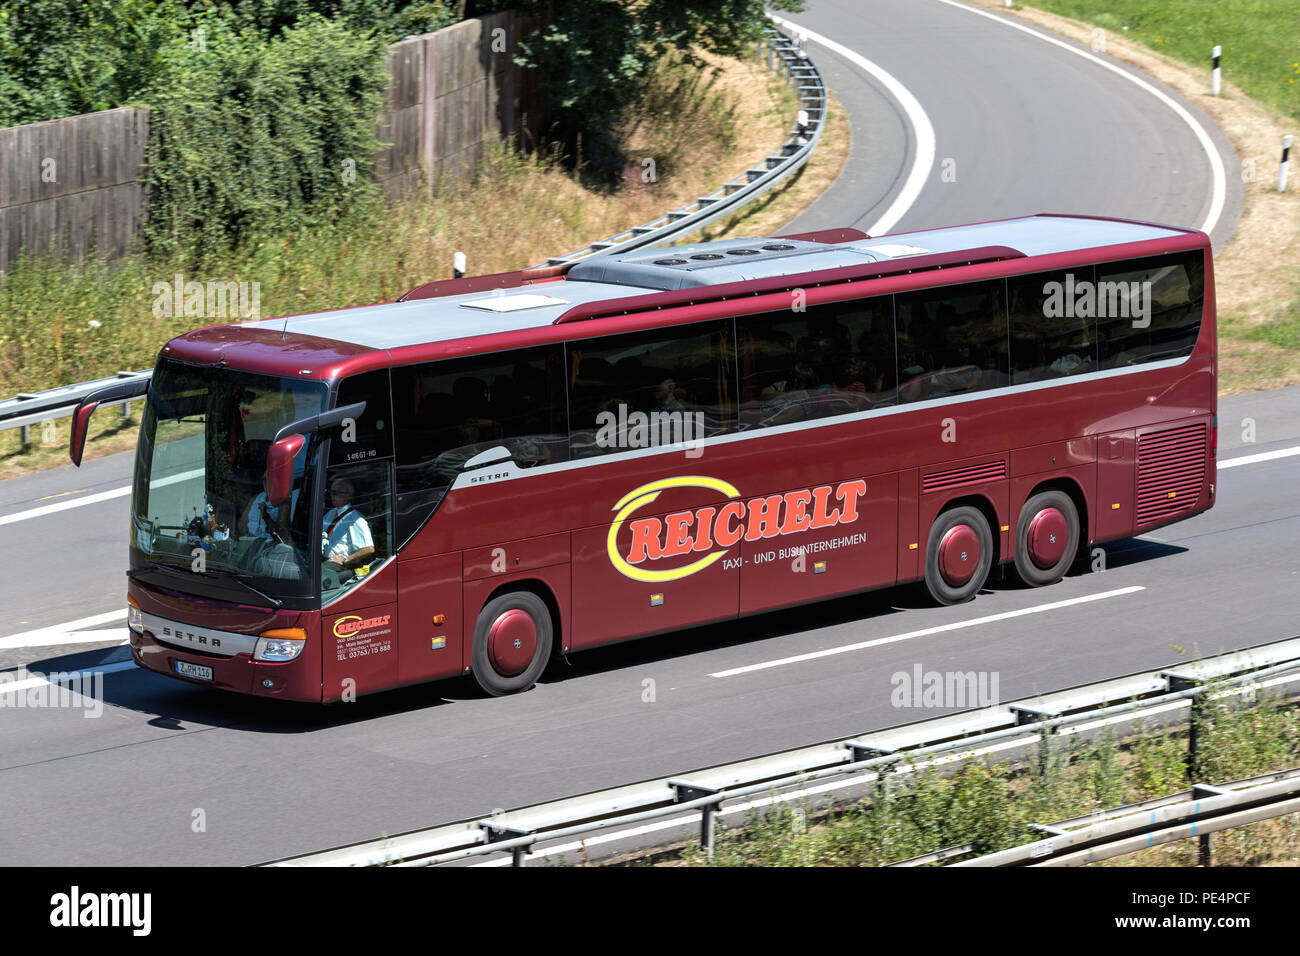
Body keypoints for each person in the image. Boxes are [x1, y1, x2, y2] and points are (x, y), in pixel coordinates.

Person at [321, 477, 374, 571]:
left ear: (348, 495)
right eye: (331, 492)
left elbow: (368, 548)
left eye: (336, 493)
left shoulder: (356, 519)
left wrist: (345, 560)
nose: (332, 496)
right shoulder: (330, 514)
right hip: (323, 561)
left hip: (340, 567)